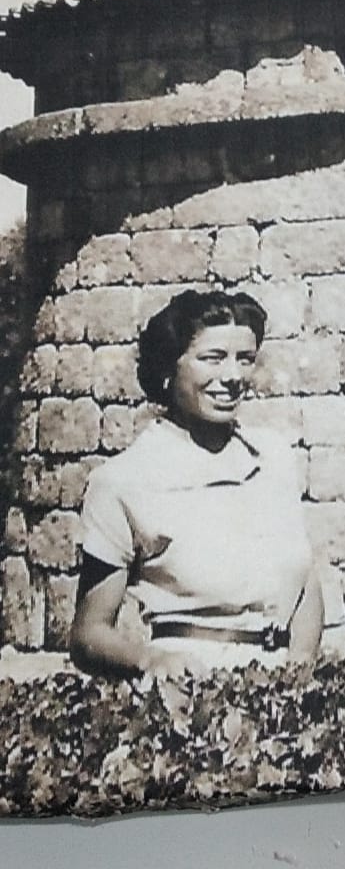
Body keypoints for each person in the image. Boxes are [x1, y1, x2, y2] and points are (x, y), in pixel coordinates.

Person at [70, 289, 320, 678]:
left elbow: (304, 579)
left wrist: (299, 672)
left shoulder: (274, 459)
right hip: (190, 691)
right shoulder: (124, 480)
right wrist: (150, 660)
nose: (233, 377)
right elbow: (89, 634)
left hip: (281, 691)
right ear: (169, 368)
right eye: (213, 359)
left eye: (245, 359)